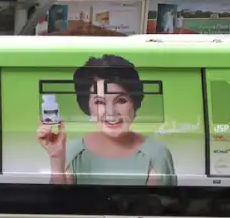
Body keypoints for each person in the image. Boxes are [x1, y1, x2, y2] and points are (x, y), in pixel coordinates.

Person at [37, 54, 176, 186]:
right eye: (100, 102)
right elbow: (59, 202)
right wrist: (56, 159)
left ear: (134, 104)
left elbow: (159, 202)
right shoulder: (71, 152)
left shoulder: (157, 154)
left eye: (121, 101)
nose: (111, 113)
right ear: (87, 106)